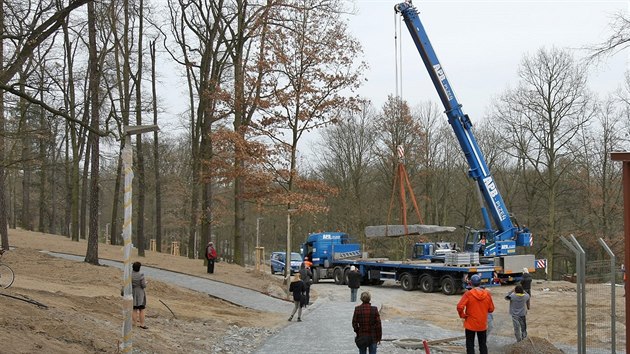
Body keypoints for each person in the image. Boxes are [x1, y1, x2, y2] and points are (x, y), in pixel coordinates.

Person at [456, 274, 495, 354]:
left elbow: (460, 307)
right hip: (482, 324)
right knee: (483, 344)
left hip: (470, 324)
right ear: (480, 283)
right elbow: (491, 309)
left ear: (470, 283)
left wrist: (462, 315)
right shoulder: (487, 294)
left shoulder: (468, 294)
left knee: (470, 345)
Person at [132, 261, 148, 329]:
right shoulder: (141, 275)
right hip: (140, 293)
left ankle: (134, 323)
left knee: (134, 309)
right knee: (141, 309)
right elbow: (143, 285)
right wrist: (146, 283)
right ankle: (142, 324)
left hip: (133, 293)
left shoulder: (130, 274)